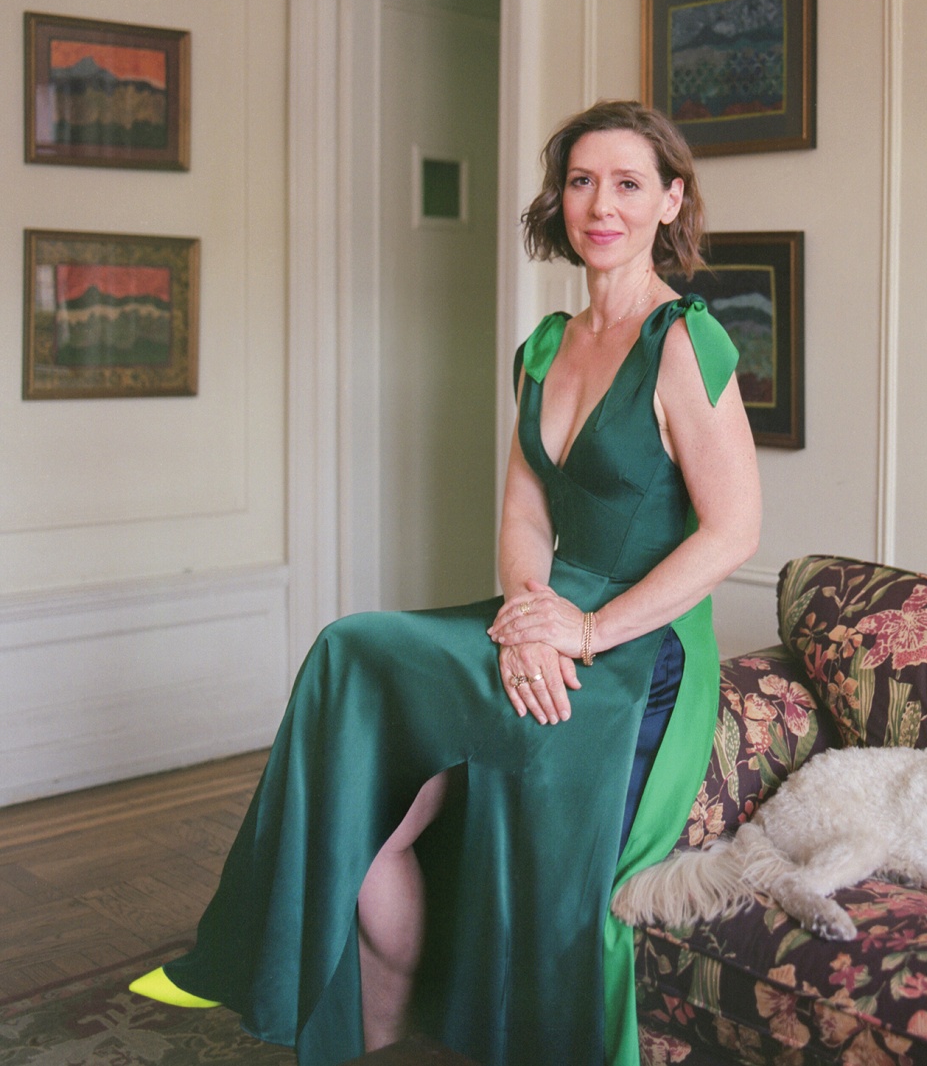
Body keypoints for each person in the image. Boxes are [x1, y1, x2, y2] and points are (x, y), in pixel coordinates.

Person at [129, 100, 761, 1065]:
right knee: (354, 656)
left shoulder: (686, 341)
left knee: (537, 815)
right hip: (539, 615)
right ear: (562, 198)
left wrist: (583, 634)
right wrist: (525, 617)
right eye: (583, 180)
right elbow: (524, 515)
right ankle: (314, 998)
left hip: (644, 650)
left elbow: (734, 530)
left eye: (629, 183)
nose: (603, 204)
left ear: (669, 200)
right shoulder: (545, 347)